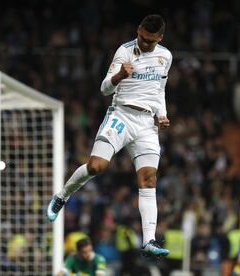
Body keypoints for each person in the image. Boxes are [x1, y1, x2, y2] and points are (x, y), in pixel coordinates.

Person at [47, 14, 172, 258]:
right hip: (121, 115)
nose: (144, 44)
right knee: (96, 166)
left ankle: (149, 240)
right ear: (138, 30)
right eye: (142, 38)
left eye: (150, 41)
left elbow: (160, 90)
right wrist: (119, 76)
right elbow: (105, 88)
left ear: (160, 38)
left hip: (147, 123)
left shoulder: (165, 56)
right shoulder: (124, 52)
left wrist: (162, 114)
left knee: (149, 180)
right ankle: (62, 196)